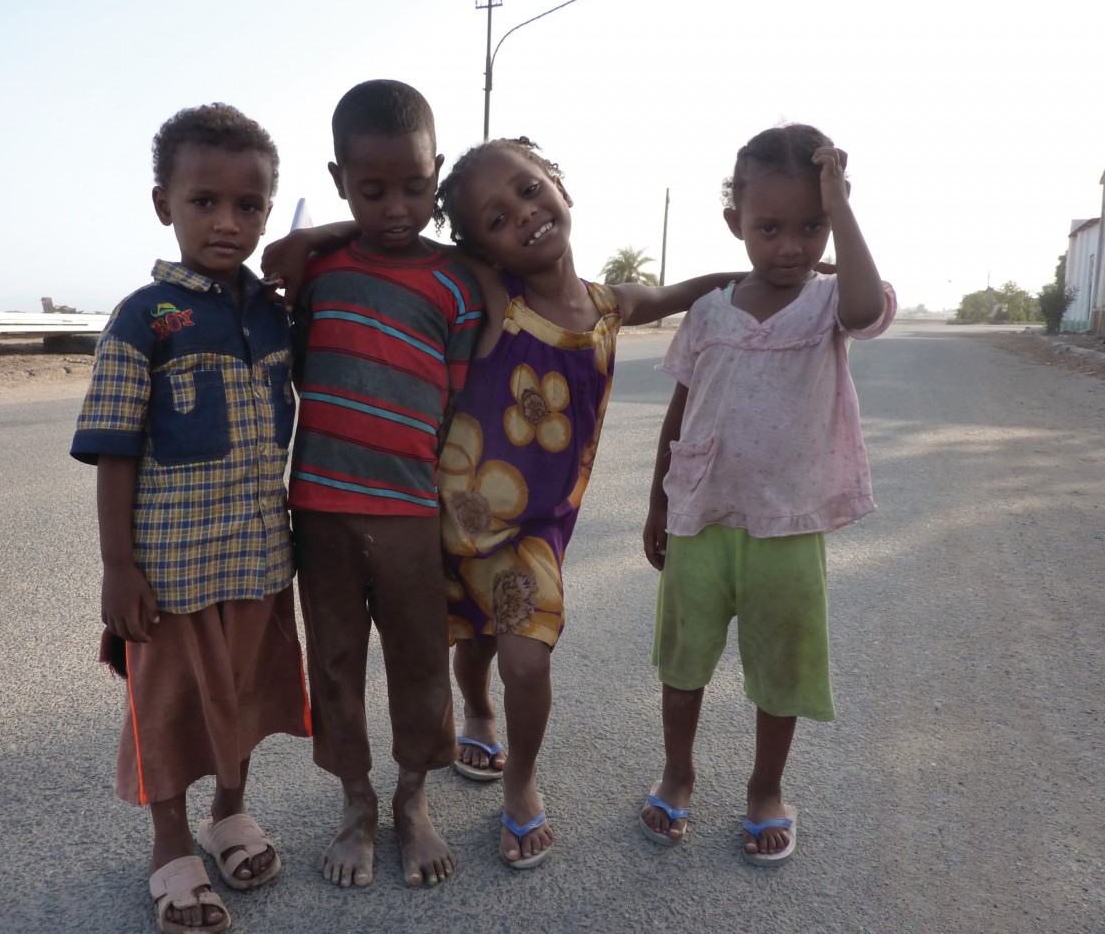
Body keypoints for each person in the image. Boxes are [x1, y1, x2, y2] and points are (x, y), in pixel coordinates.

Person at [429, 137, 743, 868]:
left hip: (531, 534)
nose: (525, 215)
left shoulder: (610, 307)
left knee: (526, 661)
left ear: (560, 184)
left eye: (531, 189)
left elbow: (681, 293)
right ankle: (476, 710)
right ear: (485, 249)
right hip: (451, 518)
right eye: (497, 219)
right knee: (470, 643)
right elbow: (406, 238)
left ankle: (521, 781)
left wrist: (755, 275)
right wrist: (322, 233)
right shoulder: (499, 299)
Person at [70, 104, 310, 934]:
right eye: (204, 201)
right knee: (170, 707)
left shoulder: (276, 312)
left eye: (250, 206)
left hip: (258, 560)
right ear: (162, 204)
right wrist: (116, 566)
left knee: (244, 694)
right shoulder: (144, 319)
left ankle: (230, 815)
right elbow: (114, 449)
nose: (227, 222)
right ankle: (170, 845)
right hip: (170, 569)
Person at [639, 124, 895, 865]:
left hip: (787, 525)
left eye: (809, 227)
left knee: (780, 670)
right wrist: (659, 501)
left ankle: (764, 789)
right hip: (700, 516)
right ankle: (677, 774)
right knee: (683, 662)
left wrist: (841, 209)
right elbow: (681, 409)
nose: (790, 245)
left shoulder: (825, 308)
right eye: (769, 228)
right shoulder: (711, 311)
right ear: (736, 226)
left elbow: (862, 309)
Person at [287, 79, 484, 890]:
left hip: (410, 512)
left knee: (418, 662)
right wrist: (335, 232)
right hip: (321, 509)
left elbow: (458, 400)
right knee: (333, 662)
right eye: (372, 191)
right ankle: (357, 805)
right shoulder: (320, 268)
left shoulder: (457, 284)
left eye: (414, 185)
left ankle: (412, 802)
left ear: (436, 171)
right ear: (339, 181)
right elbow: (286, 295)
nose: (397, 206)